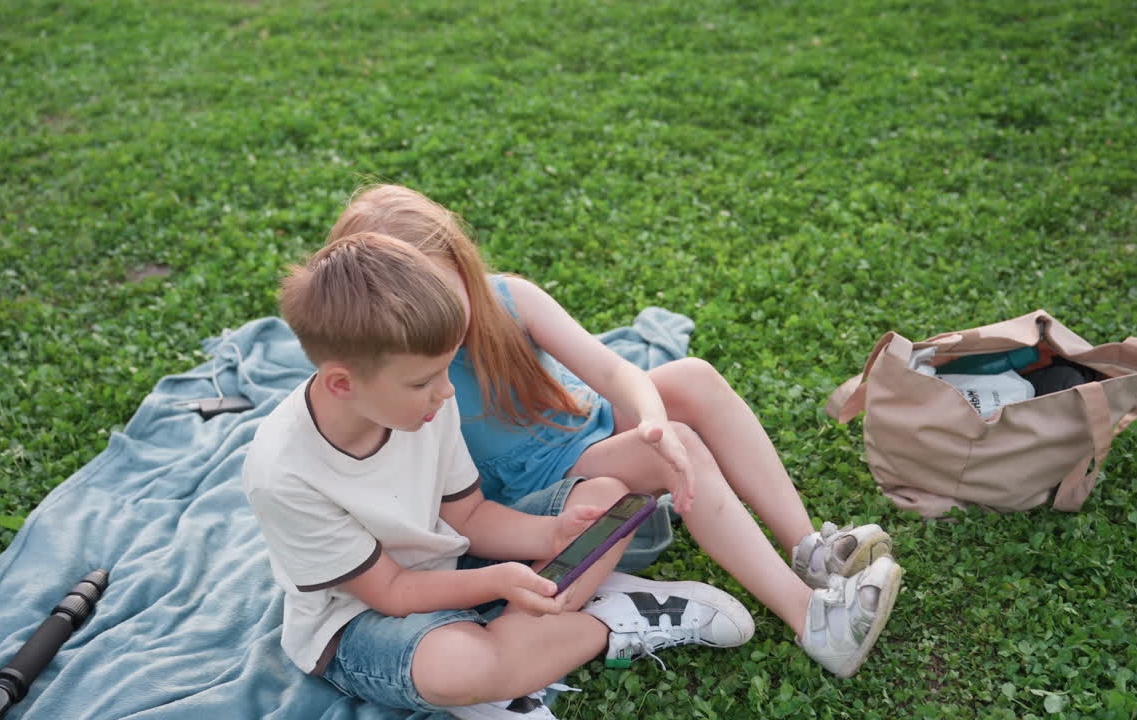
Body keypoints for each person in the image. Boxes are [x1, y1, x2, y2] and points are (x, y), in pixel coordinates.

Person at [326, 185, 905, 678]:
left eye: (445, 291)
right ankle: (811, 618)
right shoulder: (409, 379)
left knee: (691, 380)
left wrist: (650, 417)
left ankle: (810, 550)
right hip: (548, 499)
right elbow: (447, 509)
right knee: (679, 450)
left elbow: (610, 371)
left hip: (592, 436)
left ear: (465, 266)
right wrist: (661, 445)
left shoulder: (507, 298)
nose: (439, 315)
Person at [243, 233, 754, 720]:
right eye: (425, 381)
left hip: (454, 558)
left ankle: (511, 663)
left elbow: (468, 514)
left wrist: (554, 533)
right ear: (341, 384)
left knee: (604, 495)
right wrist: (497, 581)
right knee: (456, 666)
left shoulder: (422, 401)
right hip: (360, 617)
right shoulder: (284, 472)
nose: (447, 393)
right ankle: (608, 621)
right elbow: (393, 590)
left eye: (446, 371)